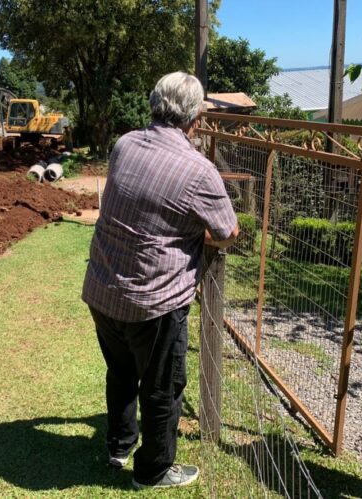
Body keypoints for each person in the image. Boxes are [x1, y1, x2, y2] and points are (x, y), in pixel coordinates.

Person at [81, 71, 238, 489]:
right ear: (197, 117)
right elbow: (226, 232)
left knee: (120, 371)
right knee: (162, 388)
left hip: (102, 288)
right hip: (152, 302)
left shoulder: (124, 144)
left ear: (154, 103)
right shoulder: (199, 170)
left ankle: (118, 445)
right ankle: (153, 471)